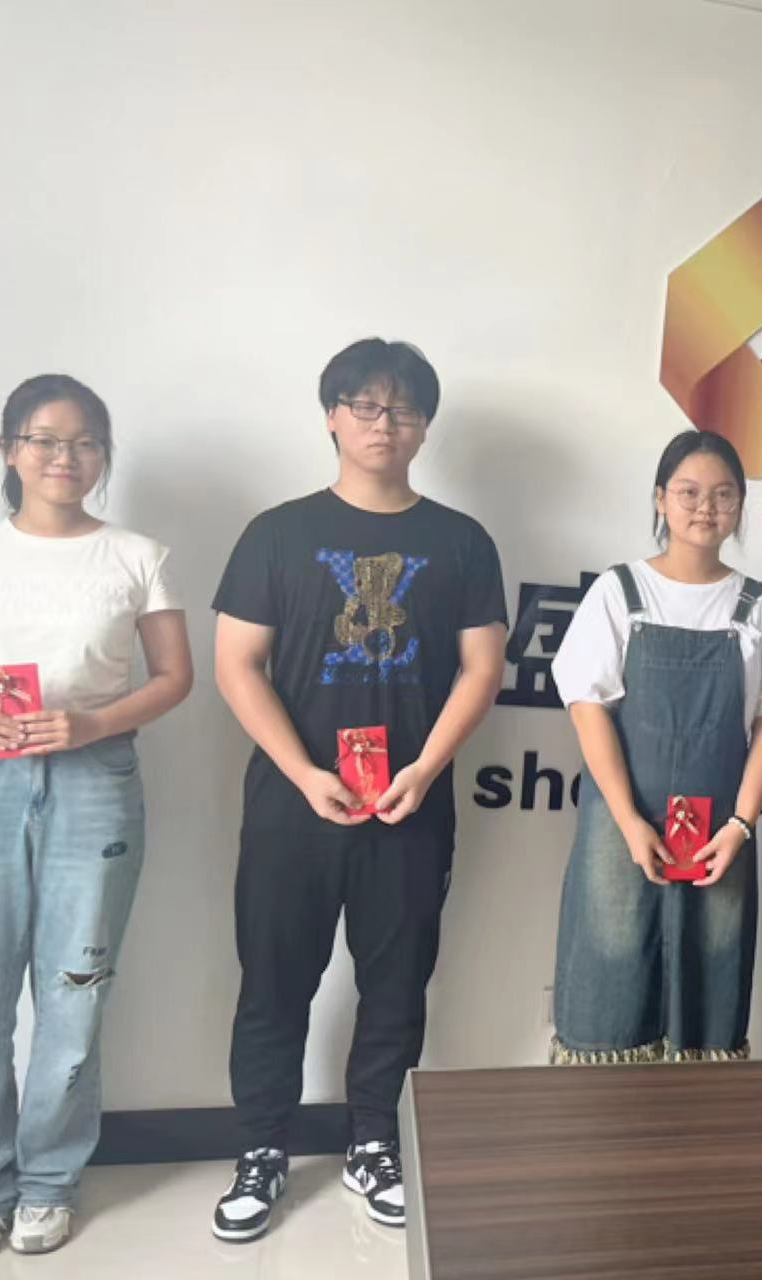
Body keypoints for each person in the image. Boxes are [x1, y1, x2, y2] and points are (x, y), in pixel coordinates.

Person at [209, 339, 506, 1241]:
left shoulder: (461, 541)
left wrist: (426, 767)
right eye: (366, 406)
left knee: (397, 983)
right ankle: (261, 1148)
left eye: (403, 408)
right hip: (293, 806)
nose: (385, 423)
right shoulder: (276, 533)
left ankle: (373, 1142)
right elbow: (236, 665)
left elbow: (481, 669)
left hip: (409, 804)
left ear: (425, 425)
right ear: (332, 416)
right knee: (273, 981)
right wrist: (303, 773)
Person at [0, 375, 192, 1264]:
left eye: (86, 441)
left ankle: (48, 1182)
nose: (66, 457)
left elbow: (174, 678)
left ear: (103, 456)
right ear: (9, 450)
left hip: (95, 775)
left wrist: (92, 724)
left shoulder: (136, 555)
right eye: (45, 439)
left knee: (75, 986)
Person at [549, 430, 762, 1062]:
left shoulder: (758, 607)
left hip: (721, 833)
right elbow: (588, 709)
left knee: (710, 981)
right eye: (689, 492)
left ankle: (695, 1121)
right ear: (660, 499)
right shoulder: (619, 592)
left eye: (723, 494)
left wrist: (741, 825)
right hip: (621, 825)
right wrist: (630, 822)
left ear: (740, 505)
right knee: (609, 971)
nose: (705, 507)